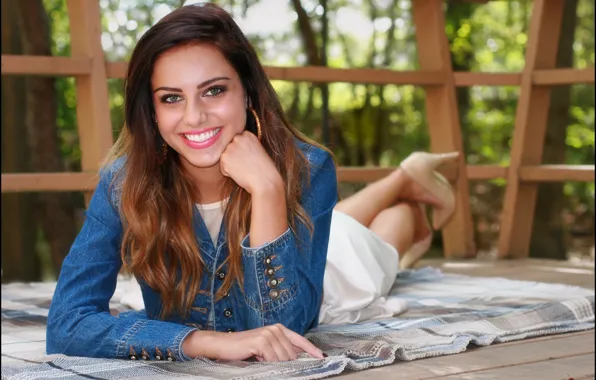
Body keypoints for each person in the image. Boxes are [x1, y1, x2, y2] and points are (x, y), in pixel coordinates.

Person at [46, 3, 458, 363]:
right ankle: (405, 177)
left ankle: (407, 193)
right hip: (311, 236)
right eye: (171, 97)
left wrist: (267, 189)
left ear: (247, 94)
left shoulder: (308, 167)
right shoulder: (124, 181)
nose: (194, 117)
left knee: (379, 246)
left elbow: (278, 330)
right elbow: (66, 325)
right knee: (344, 224)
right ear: (151, 111)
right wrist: (202, 342)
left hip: (329, 281)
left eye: (214, 91)